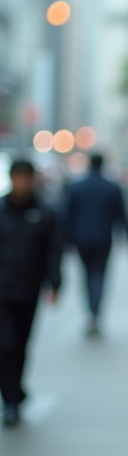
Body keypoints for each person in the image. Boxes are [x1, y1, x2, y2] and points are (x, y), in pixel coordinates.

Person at [0, 160, 61, 426]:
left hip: (30, 288)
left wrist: (54, 283)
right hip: (2, 289)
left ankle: (17, 391)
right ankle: (10, 398)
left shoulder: (45, 212)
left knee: (21, 344)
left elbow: (53, 250)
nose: (21, 183)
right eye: (18, 178)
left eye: (26, 178)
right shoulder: (1, 209)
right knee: (5, 344)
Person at [62, 153, 126, 337]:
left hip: (81, 239)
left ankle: (90, 313)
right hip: (103, 238)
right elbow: (120, 215)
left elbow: (67, 214)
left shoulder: (76, 187)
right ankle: (95, 314)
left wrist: (66, 239)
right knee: (99, 274)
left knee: (87, 274)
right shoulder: (112, 187)